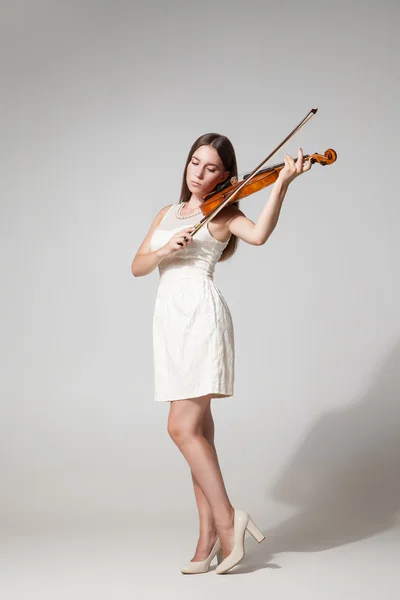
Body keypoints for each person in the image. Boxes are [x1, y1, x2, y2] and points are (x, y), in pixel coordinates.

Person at [131, 133, 312, 574]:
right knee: (201, 437)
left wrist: (282, 184)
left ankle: (229, 520)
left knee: (181, 427)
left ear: (226, 176)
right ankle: (207, 537)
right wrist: (163, 249)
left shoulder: (225, 210)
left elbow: (260, 235)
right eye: (195, 163)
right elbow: (137, 266)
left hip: (200, 319)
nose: (199, 173)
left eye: (211, 168)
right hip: (170, 323)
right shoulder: (167, 213)